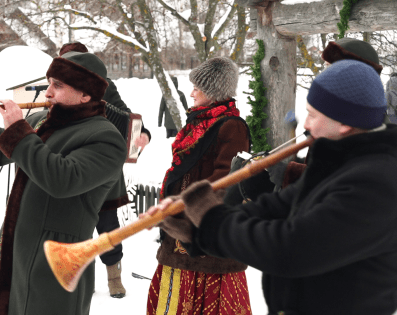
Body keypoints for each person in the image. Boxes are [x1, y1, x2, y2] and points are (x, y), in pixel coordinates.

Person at [151, 59, 397, 315]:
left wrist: (213, 222)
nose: (306, 125)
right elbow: (274, 207)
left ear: (345, 123)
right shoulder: (338, 161)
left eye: (313, 114)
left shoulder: (377, 182)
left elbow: (291, 249)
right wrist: (196, 228)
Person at [0, 51, 127, 315]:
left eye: (58, 85)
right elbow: (4, 154)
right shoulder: (43, 121)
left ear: (85, 94)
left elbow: (61, 179)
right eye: (49, 83)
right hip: (17, 245)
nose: (47, 93)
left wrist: (17, 129)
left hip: (57, 261)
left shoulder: (107, 138)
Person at [144, 57, 253, 315]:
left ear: (213, 92)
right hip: (179, 232)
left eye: (198, 88)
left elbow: (224, 183)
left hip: (204, 239)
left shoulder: (232, 127)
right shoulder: (198, 123)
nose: (191, 93)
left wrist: (191, 219)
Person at [58, 41, 152, 298]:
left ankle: (114, 276)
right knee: (67, 225)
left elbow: (126, 116)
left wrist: (142, 133)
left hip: (101, 166)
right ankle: (68, 275)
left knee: (107, 223)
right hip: (64, 165)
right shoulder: (52, 89)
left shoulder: (104, 87)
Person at [268, 37, 387, 190]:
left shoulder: (370, 126)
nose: (324, 73)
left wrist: (290, 173)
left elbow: (347, 184)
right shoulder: (335, 112)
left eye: (330, 66)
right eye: (325, 66)